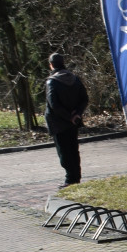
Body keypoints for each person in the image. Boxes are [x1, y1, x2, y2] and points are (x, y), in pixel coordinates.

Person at [44, 53, 89, 186]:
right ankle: (76, 177)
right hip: (74, 122)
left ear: (51, 65)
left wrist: (68, 117)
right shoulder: (75, 79)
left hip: (58, 123)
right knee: (74, 150)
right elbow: (84, 99)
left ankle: (70, 179)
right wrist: (77, 114)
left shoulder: (52, 81)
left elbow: (54, 105)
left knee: (64, 152)